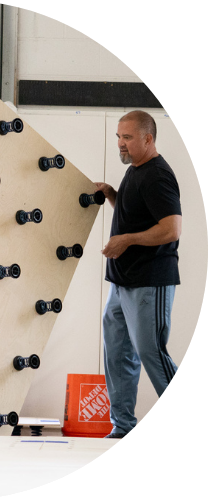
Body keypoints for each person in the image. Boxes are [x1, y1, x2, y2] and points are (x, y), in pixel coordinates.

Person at [95, 110, 182, 438]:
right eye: (119, 136)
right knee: (117, 353)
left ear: (148, 139)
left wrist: (126, 240)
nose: (121, 143)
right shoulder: (135, 170)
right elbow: (139, 215)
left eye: (128, 137)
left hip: (149, 283)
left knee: (151, 353)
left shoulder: (157, 175)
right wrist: (112, 195)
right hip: (121, 283)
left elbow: (171, 229)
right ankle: (122, 428)